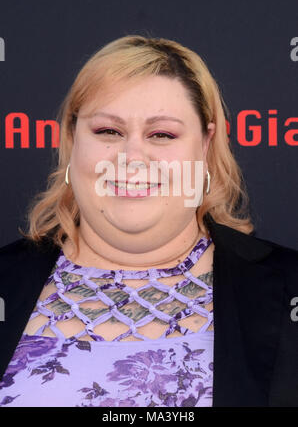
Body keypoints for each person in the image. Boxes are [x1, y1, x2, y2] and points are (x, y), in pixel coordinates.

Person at [0, 35, 297, 407]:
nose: (132, 157)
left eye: (162, 134)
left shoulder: (289, 289)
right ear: (72, 139)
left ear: (204, 146)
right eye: (108, 131)